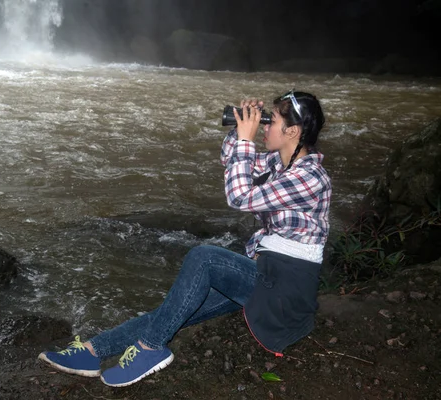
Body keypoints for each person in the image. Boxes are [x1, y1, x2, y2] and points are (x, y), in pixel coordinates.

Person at [39, 90, 332, 387]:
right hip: (264, 275)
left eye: (272, 121)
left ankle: (150, 350)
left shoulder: (311, 177)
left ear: (292, 131)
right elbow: (231, 162)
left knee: (204, 257)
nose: (265, 126)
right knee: (174, 311)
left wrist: (246, 139)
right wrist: (238, 130)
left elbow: (240, 196)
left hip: (284, 288)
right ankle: (92, 352)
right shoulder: (277, 164)